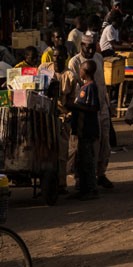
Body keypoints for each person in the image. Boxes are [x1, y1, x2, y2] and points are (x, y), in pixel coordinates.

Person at [68, 33, 113, 189]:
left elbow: (102, 84)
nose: (90, 50)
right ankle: (83, 179)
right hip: (86, 111)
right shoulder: (75, 62)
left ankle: (101, 174)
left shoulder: (99, 58)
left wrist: (107, 104)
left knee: (104, 143)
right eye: (88, 47)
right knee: (87, 147)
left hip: (102, 107)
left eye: (93, 47)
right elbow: (75, 90)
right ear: (82, 47)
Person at [44, 45, 77, 194]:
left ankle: (61, 183)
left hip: (62, 117)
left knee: (62, 151)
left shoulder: (70, 75)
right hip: (44, 116)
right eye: (55, 56)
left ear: (66, 58)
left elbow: (73, 101)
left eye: (60, 56)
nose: (57, 59)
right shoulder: (44, 69)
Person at [71, 59, 101, 200]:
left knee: (87, 161)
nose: (79, 72)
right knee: (81, 161)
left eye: (81, 70)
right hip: (82, 130)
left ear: (86, 72)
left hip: (88, 131)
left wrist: (75, 106)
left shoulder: (91, 87)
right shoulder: (84, 87)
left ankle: (91, 189)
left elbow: (94, 107)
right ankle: (83, 189)